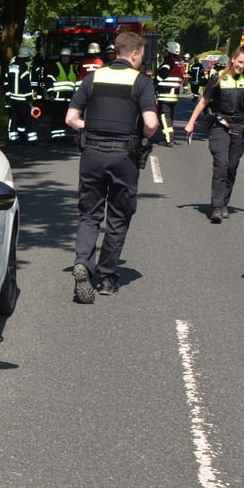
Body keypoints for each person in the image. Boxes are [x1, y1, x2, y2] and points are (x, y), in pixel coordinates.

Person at [65, 31, 159, 303]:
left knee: (89, 213)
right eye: (141, 54)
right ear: (134, 54)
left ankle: (83, 261)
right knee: (118, 215)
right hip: (123, 157)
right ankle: (107, 277)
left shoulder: (92, 78)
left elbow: (71, 118)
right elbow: (151, 124)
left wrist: (93, 128)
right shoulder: (141, 82)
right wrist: (140, 135)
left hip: (92, 153)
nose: (141, 59)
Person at [184, 45, 244, 223]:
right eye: (239, 62)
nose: (241, 66)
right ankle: (216, 206)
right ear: (232, 59)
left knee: (231, 166)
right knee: (221, 164)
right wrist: (191, 122)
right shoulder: (218, 78)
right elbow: (203, 102)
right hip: (220, 126)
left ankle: (224, 203)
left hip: (241, 128)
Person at [153, 40, 186, 146]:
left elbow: (162, 74)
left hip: (166, 93)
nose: (164, 52)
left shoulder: (169, 61)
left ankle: (168, 139)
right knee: (169, 116)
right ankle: (169, 137)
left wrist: (154, 82)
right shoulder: (178, 62)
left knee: (164, 116)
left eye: (165, 50)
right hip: (173, 93)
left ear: (168, 51)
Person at [2, 47, 38, 144]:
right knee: (29, 119)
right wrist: (30, 99)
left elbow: (6, 82)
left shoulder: (11, 67)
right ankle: (32, 140)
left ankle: (14, 139)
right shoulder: (24, 69)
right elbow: (26, 85)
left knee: (15, 118)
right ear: (25, 58)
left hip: (13, 99)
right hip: (22, 99)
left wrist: (8, 95)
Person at [44, 47, 78, 141]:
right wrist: (51, 93)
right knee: (56, 118)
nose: (65, 58)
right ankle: (55, 137)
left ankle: (61, 135)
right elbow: (49, 80)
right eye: (64, 57)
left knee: (64, 119)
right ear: (60, 57)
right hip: (58, 98)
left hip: (68, 99)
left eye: (67, 57)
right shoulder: (56, 66)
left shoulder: (72, 68)